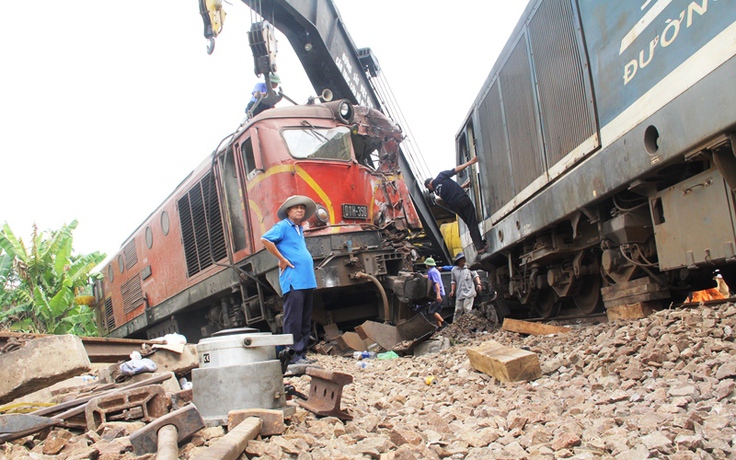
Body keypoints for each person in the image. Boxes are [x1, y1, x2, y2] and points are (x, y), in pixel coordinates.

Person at [260, 195, 317, 366]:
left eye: (302, 207)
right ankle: (293, 356)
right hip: (294, 280)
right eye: (295, 207)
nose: (300, 210)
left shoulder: (299, 229)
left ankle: (302, 354)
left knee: (305, 319)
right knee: (294, 319)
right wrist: (281, 258)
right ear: (288, 211)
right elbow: (265, 239)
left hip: (306, 280)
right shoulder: (283, 226)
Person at [424, 157, 486, 254]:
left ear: (429, 185)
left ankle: (479, 247)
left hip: (456, 207)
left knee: (470, 224)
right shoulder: (441, 176)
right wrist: (470, 162)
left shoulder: (437, 191)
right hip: (462, 200)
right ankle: (480, 246)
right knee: (472, 221)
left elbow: (450, 193)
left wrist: (463, 186)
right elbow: (455, 170)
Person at [449, 252, 482, 322]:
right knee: (458, 310)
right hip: (459, 293)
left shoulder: (469, 268)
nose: (464, 260)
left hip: (469, 292)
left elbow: (476, 276)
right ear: (458, 261)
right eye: (462, 259)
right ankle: (454, 325)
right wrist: (452, 291)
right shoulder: (454, 270)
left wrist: (479, 284)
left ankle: (470, 324)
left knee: (467, 309)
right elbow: (453, 281)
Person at [423, 257, 448, 329]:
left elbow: (437, 284)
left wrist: (438, 295)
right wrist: (422, 276)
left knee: (432, 311)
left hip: (439, 293)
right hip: (442, 293)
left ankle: (444, 324)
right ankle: (440, 327)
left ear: (427, 265)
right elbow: (429, 277)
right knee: (437, 311)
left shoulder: (432, 272)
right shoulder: (434, 271)